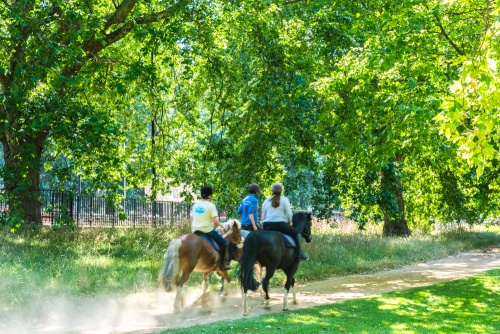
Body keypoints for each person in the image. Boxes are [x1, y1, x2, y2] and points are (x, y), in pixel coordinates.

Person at [261, 183, 309, 261]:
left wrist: (263, 223)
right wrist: (290, 221)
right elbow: (289, 214)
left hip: (267, 225)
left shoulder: (266, 201)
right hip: (280, 224)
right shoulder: (284, 200)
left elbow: (263, 216)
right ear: (281, 191)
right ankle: (299, 253)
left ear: (272, 191)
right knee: (296, 233)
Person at [190, 186, 232, 270]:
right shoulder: (211, 206)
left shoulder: (195, 205)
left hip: (195, 231)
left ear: (201, 195)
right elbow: (215, 222)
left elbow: (191, 220)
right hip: (207, 231)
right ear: (210, 195)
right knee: (225, 242)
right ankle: (223, 264)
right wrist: (222, 225)